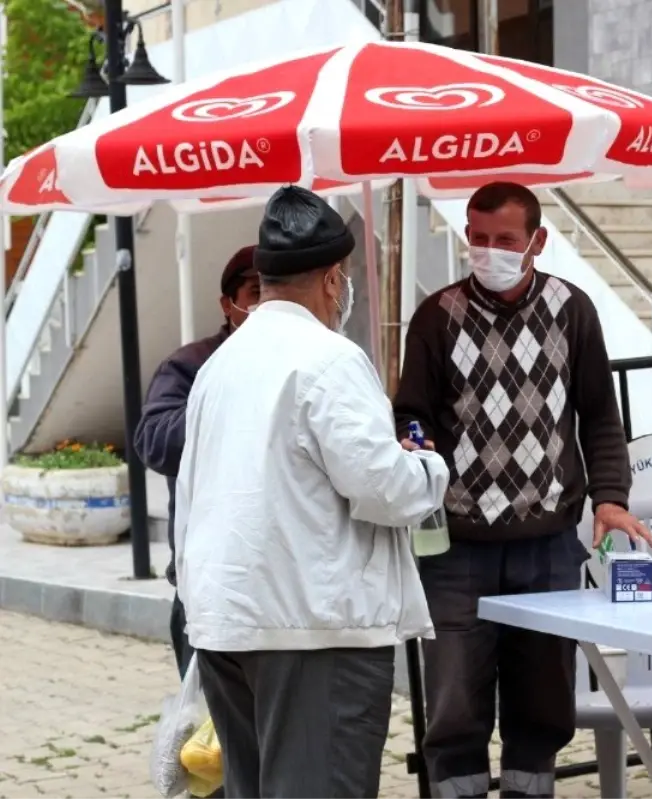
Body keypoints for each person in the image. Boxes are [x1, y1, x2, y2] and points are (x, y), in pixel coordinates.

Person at [174, 185, 449, 799]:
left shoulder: (220, 364)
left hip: (227, 623)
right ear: (333, 280)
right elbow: (383, 489)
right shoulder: (329, 359)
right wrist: (429, 470)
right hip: (312, 629)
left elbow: (191, 495)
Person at [394, 181, 652, 799]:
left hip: (548, 543)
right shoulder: (437, 315)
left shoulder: (573, 310)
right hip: (456, 546)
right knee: (454, 701)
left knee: (543, 699)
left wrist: (610, 498)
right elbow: (412, 412)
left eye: (504, 240)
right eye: (477, 239)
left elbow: (599, 415)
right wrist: (412, 443)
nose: (488, 252)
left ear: (537, 241)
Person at [134, 244, 259, 679]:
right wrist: (230, 398)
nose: (266, 306)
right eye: (254, 292)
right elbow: (154, 443)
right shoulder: (190, 365)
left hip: (287, 587)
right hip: (208, 584)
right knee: (207, 738)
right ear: (228, 305)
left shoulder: (314, 360)